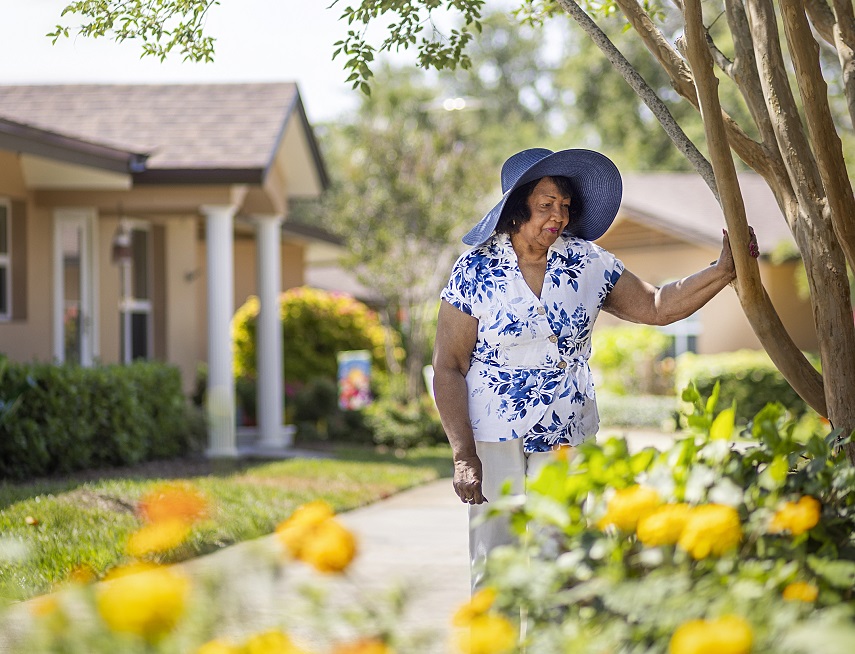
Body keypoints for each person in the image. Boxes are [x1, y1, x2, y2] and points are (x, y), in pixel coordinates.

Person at [432, 147, 759, 591]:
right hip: (493, 439)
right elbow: (448, 366)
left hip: (567, 431)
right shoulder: (474, 269)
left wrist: (722, 271)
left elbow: (656, 304)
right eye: (546, 205)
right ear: (515, 208)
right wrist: (463, 455)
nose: (558, 215)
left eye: (564, 205)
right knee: (497, 569)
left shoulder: (587, 261)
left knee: (565, 566)